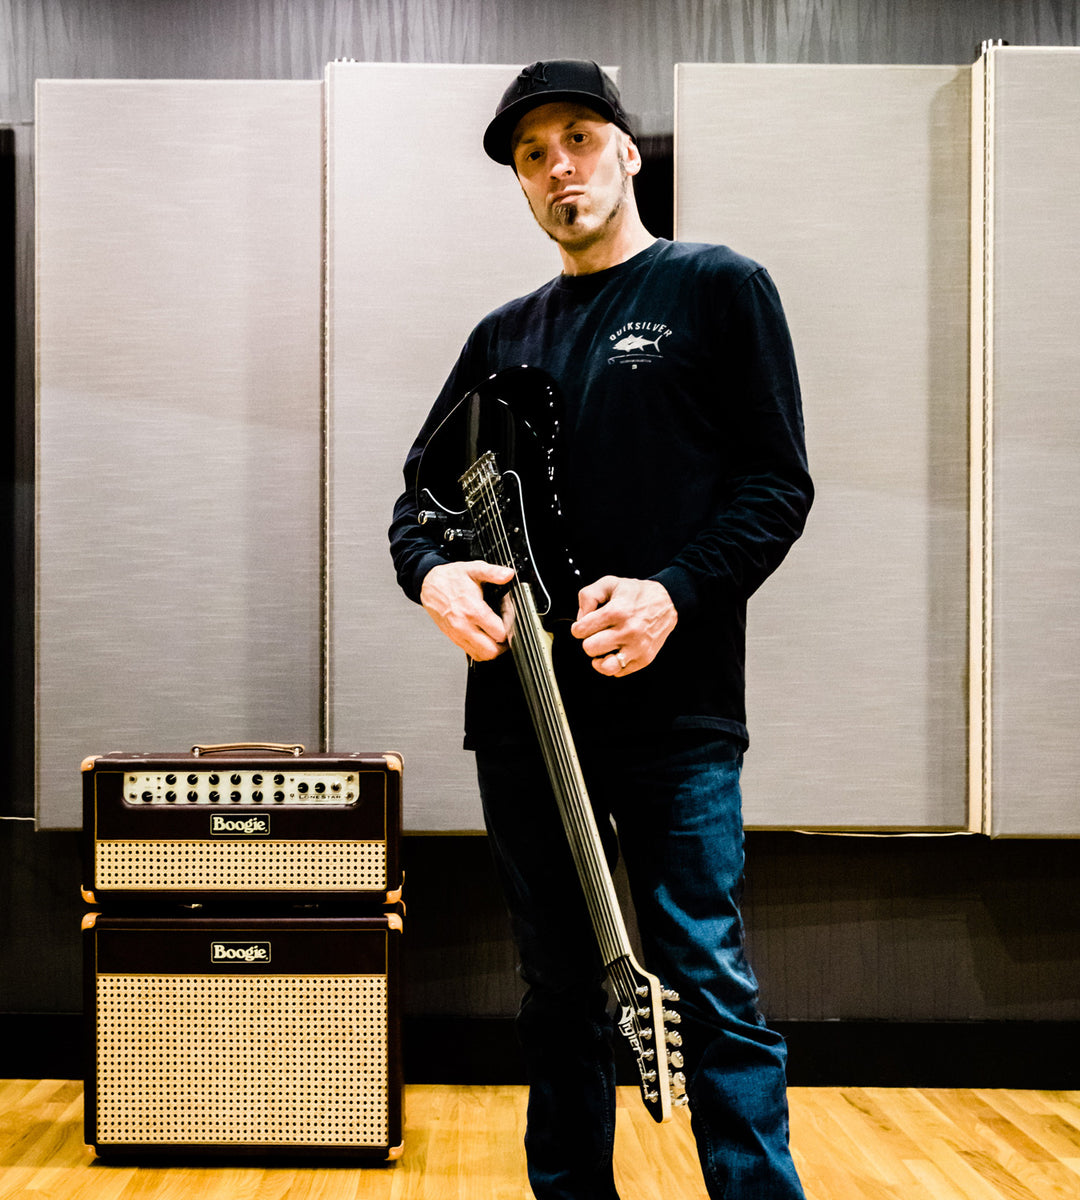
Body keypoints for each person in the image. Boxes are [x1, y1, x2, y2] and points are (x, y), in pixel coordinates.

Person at [389, 60, 813, 1200]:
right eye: (533, 156)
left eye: (578, 138)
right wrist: (432, 577)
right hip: (524, 723)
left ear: (628, 151)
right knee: (558, 989)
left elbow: (777, 486)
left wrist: (672, 591)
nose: (557, 167)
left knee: (706, 977)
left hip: (675, 716)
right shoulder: (502, 335)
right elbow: (419, 506)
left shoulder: (717, 287)